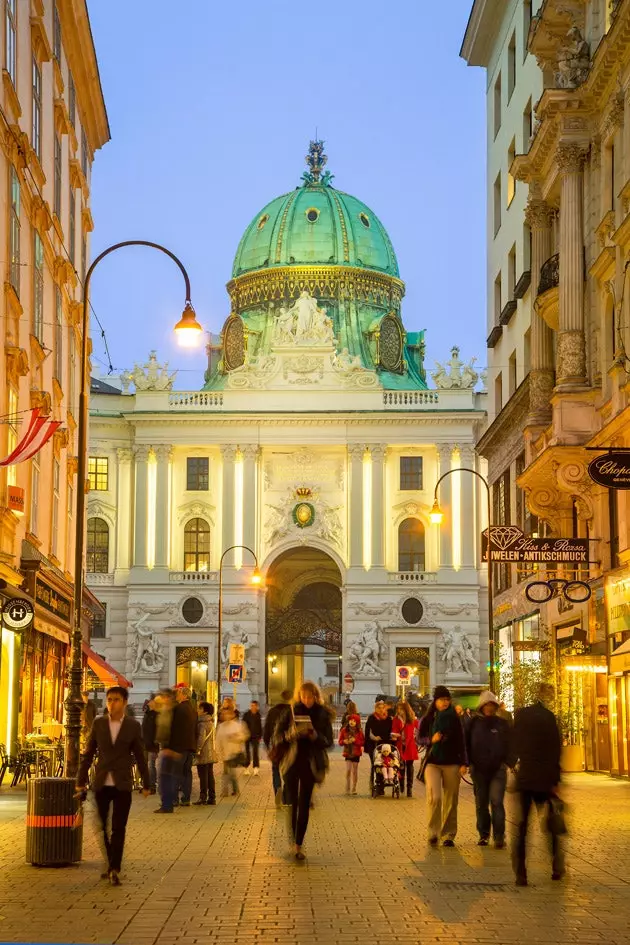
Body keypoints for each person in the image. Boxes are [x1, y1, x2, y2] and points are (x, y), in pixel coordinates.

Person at [76, 686, 150, 886]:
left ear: (124, 702)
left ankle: (115, 867)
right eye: (109, 700)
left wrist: (146, 783)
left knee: (119, 827)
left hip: (122, 784)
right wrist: (80, 781)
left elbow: (140, 756)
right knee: (103, 827)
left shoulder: (133, 726)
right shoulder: (99, 724)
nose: (112, 703)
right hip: (101, 783)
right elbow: (89, 753)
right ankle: (110, 862)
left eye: (116, 699)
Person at [511, 683, 564, 887]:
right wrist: (556, 781)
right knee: (552, 825)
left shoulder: (521, 717)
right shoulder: (549, 718)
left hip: (526, 778)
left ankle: (521, 873)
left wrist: (513, 765)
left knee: (523, 827)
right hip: (545, 779)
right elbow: (555, 750)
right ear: (546, 696)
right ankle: (556, 866)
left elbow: (514, 745)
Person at [278, 681, 333, 860]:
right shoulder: (291, 711)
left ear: (315, 696)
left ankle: (298, 844)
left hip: (311, 764)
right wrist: (292, 734)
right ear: (299, 696)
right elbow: (279, 737)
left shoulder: (322, 714)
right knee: (292, 803)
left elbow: (329, 742)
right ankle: (293, 842)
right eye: (303, 696)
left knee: (304, 804)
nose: (307, 699)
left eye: (310, 696)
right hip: (293, 762)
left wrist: (315, 735)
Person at [418, 685, 468, 847]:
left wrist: (464, 762)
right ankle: (433, 832)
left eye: (447, 699)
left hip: (452, 762)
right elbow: (419, 738)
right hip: (433, 762)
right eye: (442, 700)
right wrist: (430, 740)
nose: (445, 703)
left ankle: (448, 835)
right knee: (435, 797)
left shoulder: (455, 717)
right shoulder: (428, 718)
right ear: (436, 701)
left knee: (451, 800)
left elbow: (462, 740)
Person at [466, 690, 514, 848]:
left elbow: (511, 743)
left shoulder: (502, 724)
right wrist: (468, 763)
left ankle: (499, 836)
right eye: (486, 705)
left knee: (496, 801)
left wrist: (508, 762)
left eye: (491, 705)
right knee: (481, 803)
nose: (489, 708)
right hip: (478, 770)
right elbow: (466, 744)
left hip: (498, 769)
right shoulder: (473, 723)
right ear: (481, 706)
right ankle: (484, 834)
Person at [155, 684, 197, 813]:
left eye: (179, 693)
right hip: (188, 746)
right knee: (184, 774)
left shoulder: (178, 709)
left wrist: (171, 748)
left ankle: (170, 802)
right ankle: (184, 798)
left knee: (170, 776)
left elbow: (176, 730)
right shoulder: (192, 709)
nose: (178, 695)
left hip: (177, 748)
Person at [263, 689, 292, 808]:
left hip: (275, 745)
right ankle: (286, 798)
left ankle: (277, 788)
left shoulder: (272, 711)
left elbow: (267, 729)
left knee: (275, 770)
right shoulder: (292, 711)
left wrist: (267, 744)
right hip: (289, 746)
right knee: (288, 772)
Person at [216, 703, 247, 797]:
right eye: (223, 714)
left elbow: (244, 737)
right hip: (225, 753)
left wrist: (234, 737)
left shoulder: (237, 725)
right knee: (229, 773)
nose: (225, 716)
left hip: (234, 753)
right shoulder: (221, 727)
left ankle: (226, 791)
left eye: (227, 714)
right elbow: (218, 741)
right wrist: (219, 753)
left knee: (229, 773)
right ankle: (234, 790)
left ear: (232, 715)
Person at [364, 700, 393, 793]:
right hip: (373, 745)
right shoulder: (372, 718)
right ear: (375, 709)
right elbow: (368, 731)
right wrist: (374, 738)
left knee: (384, 764)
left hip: (385, 745)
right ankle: (375, 784)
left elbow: (389, 732)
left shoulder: (388, 719)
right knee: (375, 764)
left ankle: (382, 786)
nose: (381, 710)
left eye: (382, 708)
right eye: (378, 708)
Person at [392, 701, 419, 797]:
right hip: (400, 744)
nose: (399, 711)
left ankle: (409, 788)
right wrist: (395, 735)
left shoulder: (412, 719)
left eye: (401, 709)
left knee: (410, 766)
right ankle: (402, 784)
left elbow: (417, 730)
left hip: (410, 745)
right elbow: (394, 730)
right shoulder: (396, 719)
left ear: (406, 709)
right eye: (398, 709)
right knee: (401, 766)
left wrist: (416, 737)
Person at [194, 701, 217, 805]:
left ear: (204, 711)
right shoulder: (211, 722)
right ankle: (212, 797)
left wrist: (197, 749)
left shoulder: (202, 724)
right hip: (210, 752)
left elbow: (201, 739)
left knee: (203, 776)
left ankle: (203, 797)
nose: (197, 710)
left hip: (203, 753)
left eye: (199, 708)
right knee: (210, 775)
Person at [338, 713, 364, 795]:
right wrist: (344, 741)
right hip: (348, 752)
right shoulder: (344, 730)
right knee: (348, 770)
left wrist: (355, 741)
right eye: (350, 720)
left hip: (356, 753)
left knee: (355, 771)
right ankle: (347, 786)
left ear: (357, 722)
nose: (351, 722)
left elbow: (363, 742)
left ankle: (354, 787)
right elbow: (340, 742)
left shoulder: (359, 732)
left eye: (354, 721)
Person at [141, 696, 159, 794]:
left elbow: (157, 730)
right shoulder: (147, 714)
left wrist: (155, 741)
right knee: (147, 765)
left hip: (152, 744)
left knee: (151, 765)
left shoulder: (156, 715)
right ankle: (147, 785)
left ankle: (152, 786)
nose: (148, 703)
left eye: (150, 701)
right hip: (145, 743)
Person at [243, 700, 263, 775]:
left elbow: (260, 726)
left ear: (257, 706)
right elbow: (243, 725)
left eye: (254, 706)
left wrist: (260, 735)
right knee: (247, 752)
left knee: (255, 752)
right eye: (252, 705)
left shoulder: (258, 715)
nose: (253, 707)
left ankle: (256, 768)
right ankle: (246, 767)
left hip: (255, 736)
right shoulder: (246, 714)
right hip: (247, 736)